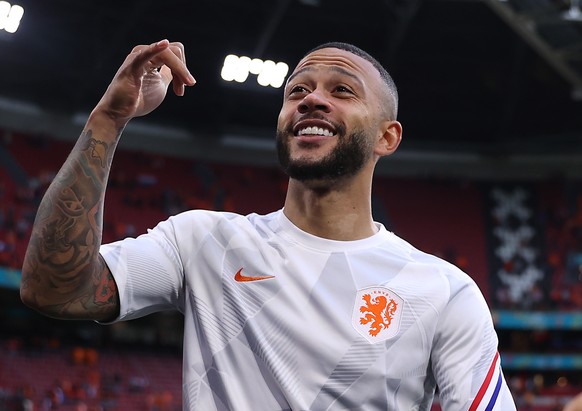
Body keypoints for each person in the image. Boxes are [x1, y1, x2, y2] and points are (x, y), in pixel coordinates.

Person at [20, 39, 516, 410]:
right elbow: (55, 290)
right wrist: (109, 118)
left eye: (342, 90)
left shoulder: (444, 290)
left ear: (388, 137)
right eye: (297, 89)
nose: (311, 99)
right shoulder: (204, 241)